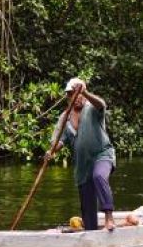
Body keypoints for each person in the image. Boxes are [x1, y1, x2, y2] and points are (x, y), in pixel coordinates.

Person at [47, 78, 116, 231]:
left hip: (102, 155)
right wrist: (51, 151)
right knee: (88, 207)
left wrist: (85, 91)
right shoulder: (64, 118)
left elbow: (102, 104)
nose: (76, 97)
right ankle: (91, 232)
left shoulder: (92, 108)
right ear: (68, 97)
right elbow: (58, 142)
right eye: (72, 94)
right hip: (82, 166)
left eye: (78, 93)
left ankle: (109, 218)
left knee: (98, 176)